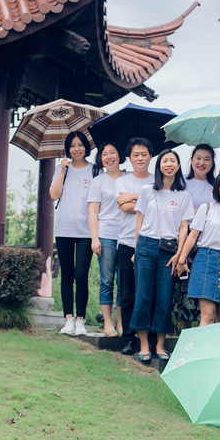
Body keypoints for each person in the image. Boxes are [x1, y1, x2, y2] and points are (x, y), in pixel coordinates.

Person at [131, 149, 194, 362]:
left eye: (173, 161)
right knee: (143, 296)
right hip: (146, 246)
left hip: (169, 250)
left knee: (165, 298)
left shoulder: (183, 195)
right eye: (165, 160)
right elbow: (139, 221)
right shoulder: (147, 190)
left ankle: (159, 345)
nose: (169, 164)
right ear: (159, 165)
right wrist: (136, 249)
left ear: (178, 166)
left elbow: (184, 227)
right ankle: (143, 344)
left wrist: (179, 254)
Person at [177, 170, 220, 326]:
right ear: (217, 189)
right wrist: (181, 260)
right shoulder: (207, 208)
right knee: (208, 314)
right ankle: (203, 343)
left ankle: (219, 344)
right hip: (205, 261)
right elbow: (193, 236)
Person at [49, 131, 94, 336]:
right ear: (68, 148)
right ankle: (68, 319)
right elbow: (54, 195)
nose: (77, 149)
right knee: (66, 275)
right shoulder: (61, 169)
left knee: (81, 275)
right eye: (73, 145)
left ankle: (80, 320)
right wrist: (62, 171)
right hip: (64, 228)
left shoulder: (95, 171)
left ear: (86, 147)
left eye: (80, 145)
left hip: (86, 230)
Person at [114, 138, 154, 356]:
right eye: (136, 155)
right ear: (129, 158)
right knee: (127, 293)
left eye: (144, 154)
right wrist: (149, 197)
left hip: (151, 242)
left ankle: (150, 338)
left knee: (148, 293)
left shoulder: (157, 179)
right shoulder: (122, 181)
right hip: (127, 242)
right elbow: (124, 207)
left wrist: (134, 198)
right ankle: (129, 338)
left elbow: (159, 204)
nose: (140, 158)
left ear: (150, 156)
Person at [172, 144, 215, 332]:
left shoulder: (217, 186)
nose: (202, 163)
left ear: (212, 163)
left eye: (207, 159)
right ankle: (183, 339)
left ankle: (202, 340)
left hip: (205, 246)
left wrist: (196, 212)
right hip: (182, 242)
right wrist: (200, 211)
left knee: (204, 297)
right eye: (198, 158)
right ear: (191, 160)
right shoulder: (181, 182)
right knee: (184, 296)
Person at [87, 142, 127, 337]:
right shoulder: (98, 182)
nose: (109, 157)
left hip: (127, 235)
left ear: (120, 155)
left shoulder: (129, 178)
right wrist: (95, 238)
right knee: (107, 279)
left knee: (124, 281)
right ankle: (108, 323)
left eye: (112, 152)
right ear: (100, 159)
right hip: (106, 234)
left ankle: (121, 323)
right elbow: (93, 212)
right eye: (104, 154)